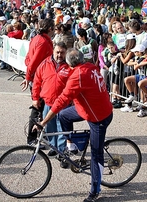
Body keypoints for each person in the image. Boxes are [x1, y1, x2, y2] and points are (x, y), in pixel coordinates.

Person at [36, 48, 113, 202]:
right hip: (89, 108)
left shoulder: (78, 75)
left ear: (70, 64)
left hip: (98, 117)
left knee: (96, 155)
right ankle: (71, 145)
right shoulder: (89, 66)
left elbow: (62, 100)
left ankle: (95, 191)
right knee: (63, 115)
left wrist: (44, 121)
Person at [31, 42, 70, 162]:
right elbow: (37, 81)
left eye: (62, 53)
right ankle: (54, 146)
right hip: (48, 101)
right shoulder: (44, 64)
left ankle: (62, 152)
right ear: (53, 51)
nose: (59, 55)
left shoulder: (69, 66)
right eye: (57, 52)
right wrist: (35, 98)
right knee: (50, 127)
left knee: (62, 128)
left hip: (63, 103)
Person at [21, 18, 55, 145]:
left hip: (40, 77)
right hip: (39, 78)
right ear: (50, 28)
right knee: (37, 108)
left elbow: (28, 59)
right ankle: (32, 138)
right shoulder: (43, 42)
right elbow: (33, 62)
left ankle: (40, 135)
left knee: (42, 108)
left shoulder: (37, 38)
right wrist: (28, 77)